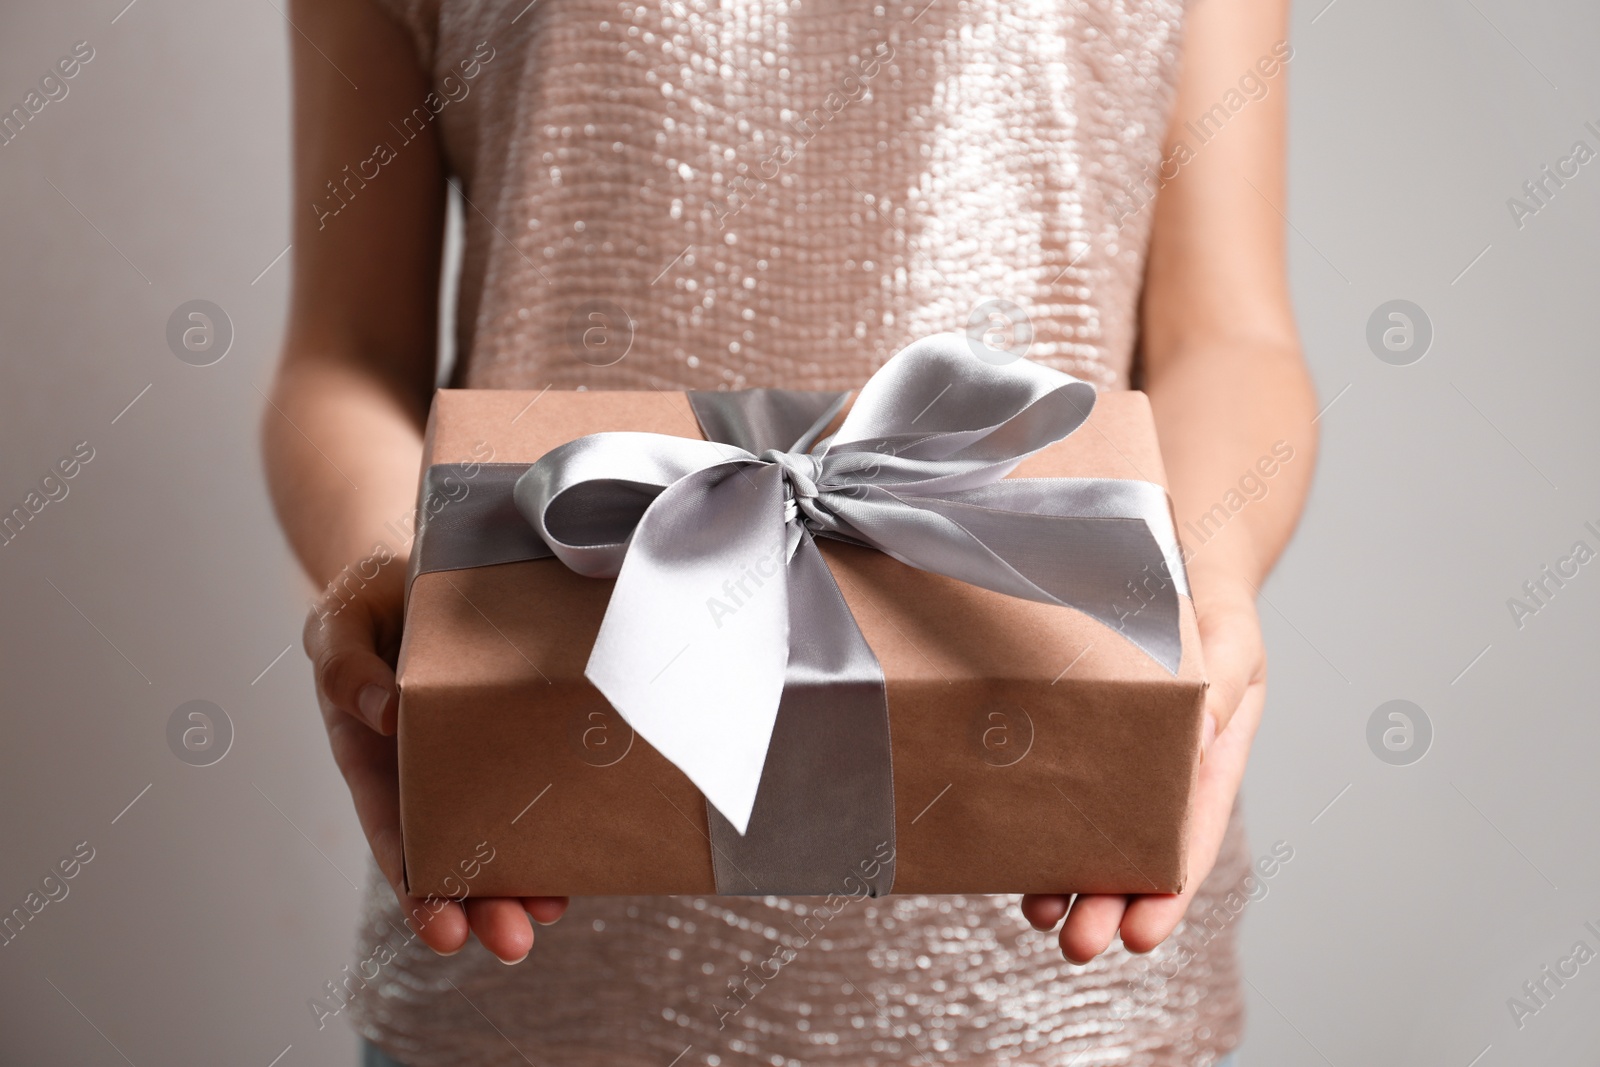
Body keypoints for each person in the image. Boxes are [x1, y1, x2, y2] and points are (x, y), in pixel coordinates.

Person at [263, 0, 1316, 1062]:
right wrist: (400, 581)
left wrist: (1207, 578)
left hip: (1061, 995)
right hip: (522, 964)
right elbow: (343, 354)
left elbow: (1225, 335)